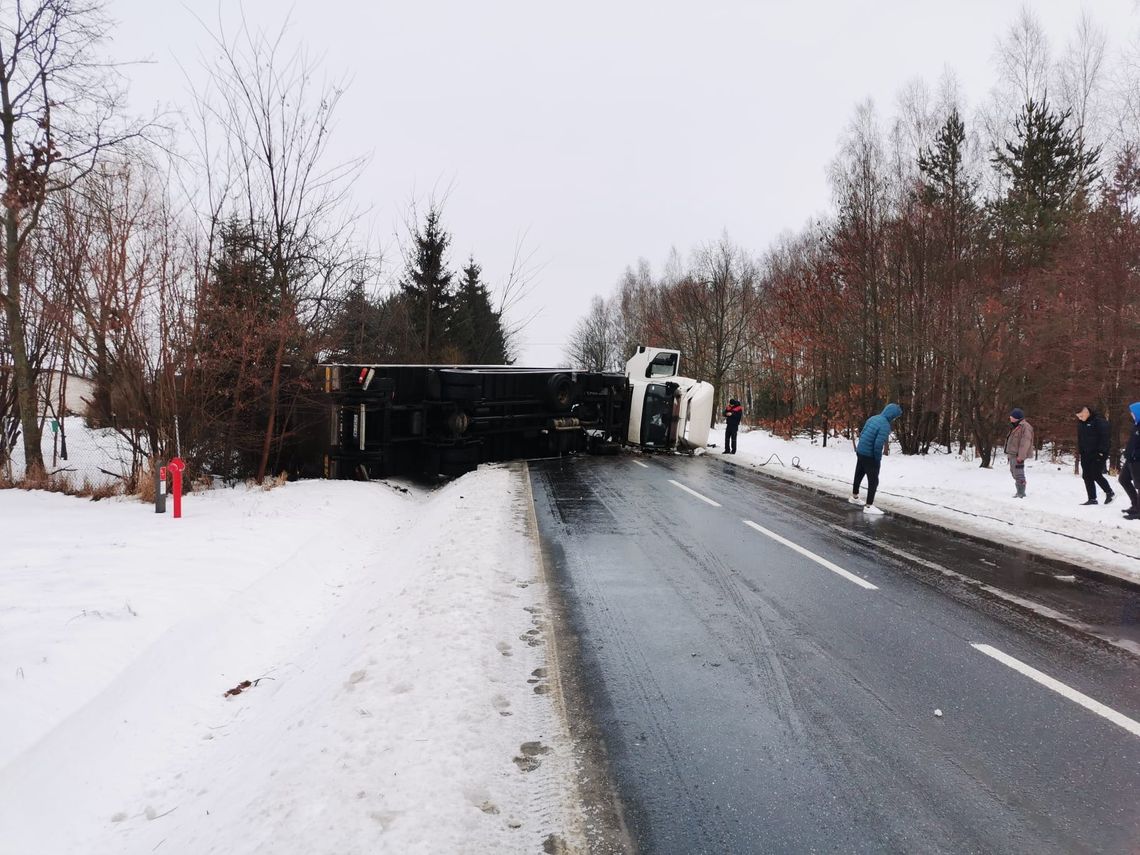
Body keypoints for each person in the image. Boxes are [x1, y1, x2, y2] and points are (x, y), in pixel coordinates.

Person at [849, 402, 902, 515]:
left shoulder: (874, 418)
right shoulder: (885, 425)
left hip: (861, 451)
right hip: (869, 455)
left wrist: (861, 448)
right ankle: (869, 506)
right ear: (892, 415)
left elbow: (862, 433)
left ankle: (854, 496)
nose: (895, 419)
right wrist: (877, 459)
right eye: (895, 417)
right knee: (873, 480)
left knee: (859, 473)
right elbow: (878, 445)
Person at [1076, 405, 1114, 505]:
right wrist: (1081, 451)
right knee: (1086, 475)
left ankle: (1109, 492)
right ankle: (1092, 498)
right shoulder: (1081, 424)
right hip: (1085, 453)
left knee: (1096, 473)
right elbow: (1081, 439)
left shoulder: (1099, 422)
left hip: (1098, 453)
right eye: (1078, 416)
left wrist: (1101, 451)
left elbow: (1105, 437)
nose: (1079, 418)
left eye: (1081, 416)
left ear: (1086, 412)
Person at [1004, 408, 1034, 498]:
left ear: (1016, 417)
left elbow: (1025, 443)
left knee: (1018, 473)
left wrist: (1021, 456)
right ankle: (1019, 489)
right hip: (1013, 454)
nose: (1010, 417)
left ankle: (1021, 492)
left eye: (1012, 416)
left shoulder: (1025, 427)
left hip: (1018, 455)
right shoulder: (1016, 426)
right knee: (1014, 472)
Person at [1120, 402, 1140, 521]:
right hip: (1130, 459)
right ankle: (1135, 505)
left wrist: (1135, 454)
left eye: (1132, 412)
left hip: (1138, 460)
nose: (1131, 414)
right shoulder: (1136, 425)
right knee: (1123, 479)